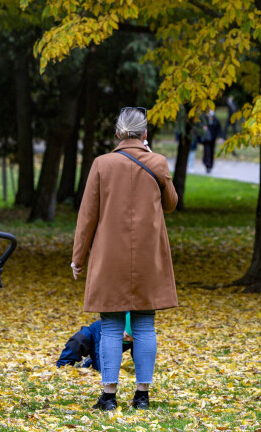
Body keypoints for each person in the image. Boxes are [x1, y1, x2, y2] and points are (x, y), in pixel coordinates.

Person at [71, 106, 179, 411]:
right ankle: (142, 395)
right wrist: (155, 163)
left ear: (118, 133)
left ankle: (108, 396)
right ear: (145, 134)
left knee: (111, 326)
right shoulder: (157, 162)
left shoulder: (102, 164)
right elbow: (171, 204)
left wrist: (78, 258)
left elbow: (87, 217)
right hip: (148, 256)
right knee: (145, 325)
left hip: (109, 257)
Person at [56, 313, 133, 371]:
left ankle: (88, 362)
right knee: (78, 340)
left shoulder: (137, 336)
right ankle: (63, 364)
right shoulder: (110, 329)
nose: (128, 339)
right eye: (126, 336)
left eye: (131, 338)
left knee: (100, 366)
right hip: (94, 335)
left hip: (118, 341)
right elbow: (99, 351)